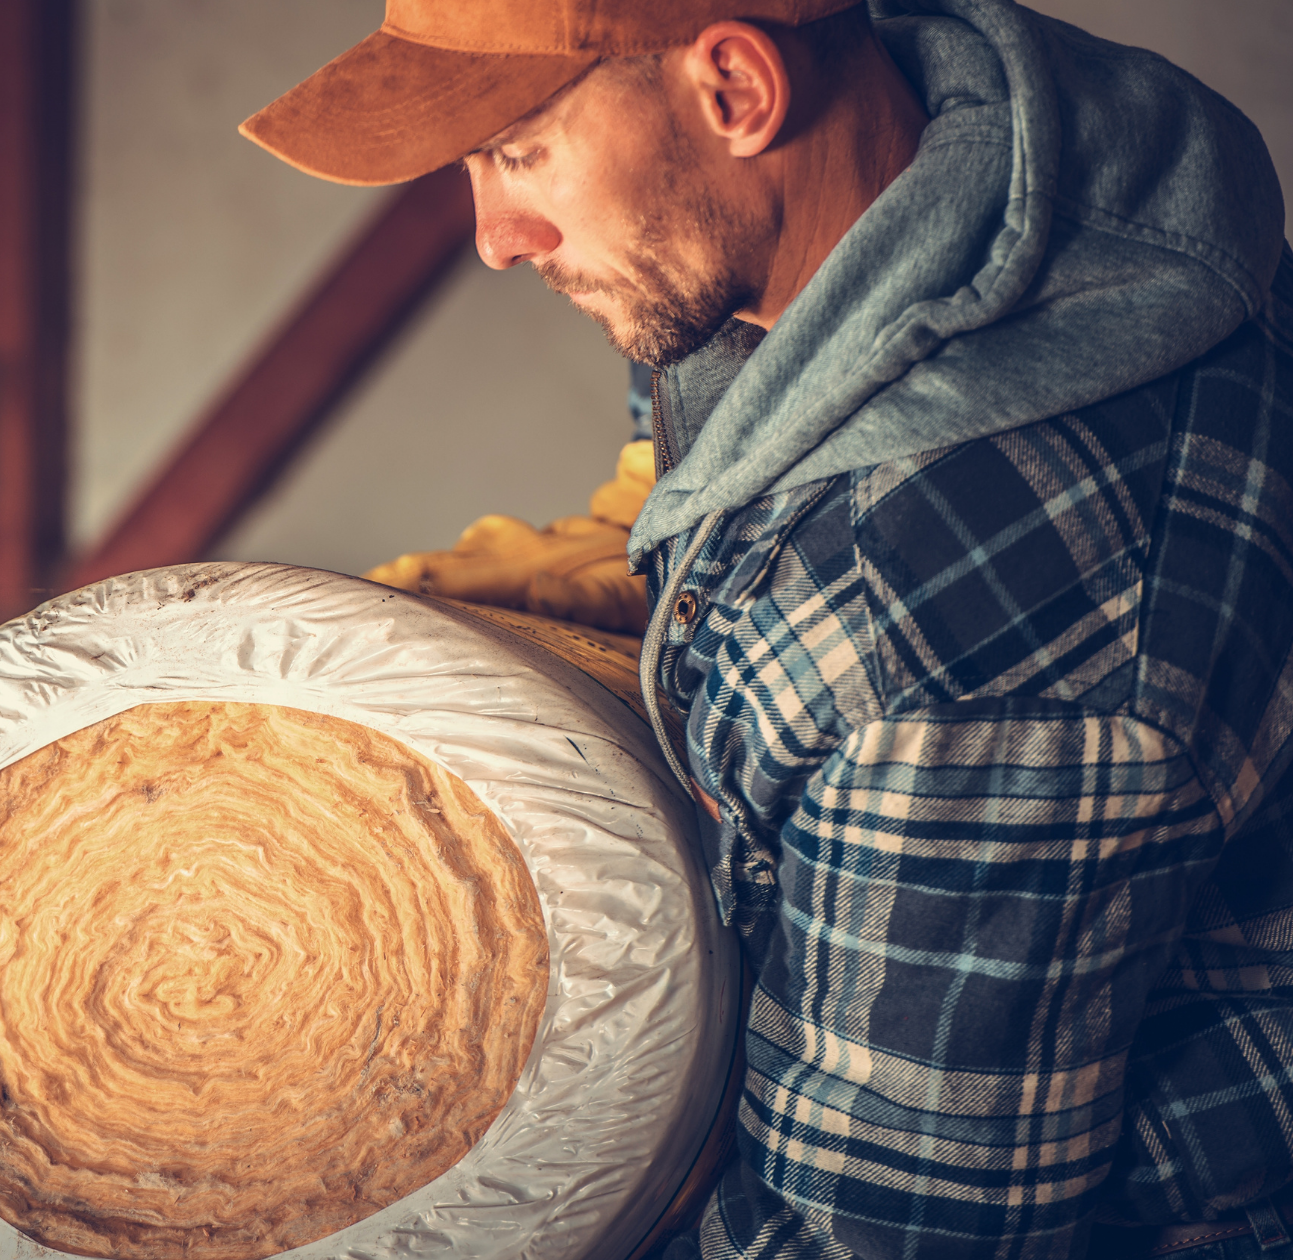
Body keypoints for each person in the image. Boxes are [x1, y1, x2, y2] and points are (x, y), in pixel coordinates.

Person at [242, 2, 1293, 1259]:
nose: (493, 239)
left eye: (517, 149)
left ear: (734, 85)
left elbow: (867, 1236)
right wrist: (595, 571)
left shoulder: (946, 660)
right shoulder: (968, 171)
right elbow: (705, 446)